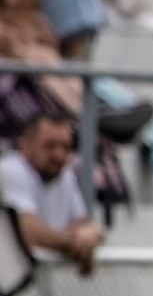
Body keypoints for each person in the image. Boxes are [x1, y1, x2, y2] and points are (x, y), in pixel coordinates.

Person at [0, 114, 102, 275]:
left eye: (66, 147)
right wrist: (78, 243)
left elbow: (83, 224)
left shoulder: (64, 174)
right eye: (49, 146)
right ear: (24, 145)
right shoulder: (9, 170)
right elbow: (30, 235)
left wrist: (94, 234)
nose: (59, 155)